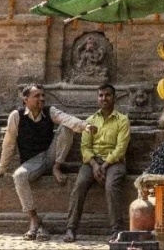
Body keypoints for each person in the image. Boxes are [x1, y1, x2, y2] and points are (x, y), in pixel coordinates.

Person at [0, 83, 97, 242]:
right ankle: (34, 219)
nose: (42, 98)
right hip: (33, 162)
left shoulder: (49, 111)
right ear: (26, 99)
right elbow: (8, 144)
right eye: (37, 96)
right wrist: (1, 170)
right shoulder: (16, 116)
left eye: (43, 95)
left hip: (51, 156)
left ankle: (57, 168)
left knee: (66, 127)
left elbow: (67, 119)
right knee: (19, 176)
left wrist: (85, 126)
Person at [63, 84, 130, 243]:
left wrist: (104, 165)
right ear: (97, 98)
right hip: (92, 162)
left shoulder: (122, 120)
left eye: (107, 95)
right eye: (100, 95)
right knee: (79, 185)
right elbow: (85, 147)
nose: (104, 98)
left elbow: (121, 148)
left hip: (114, 162)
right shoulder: (90, 121)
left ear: (114, 98)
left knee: (111, 186)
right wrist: (94, 165)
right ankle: (71, 228)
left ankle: (117, 230)